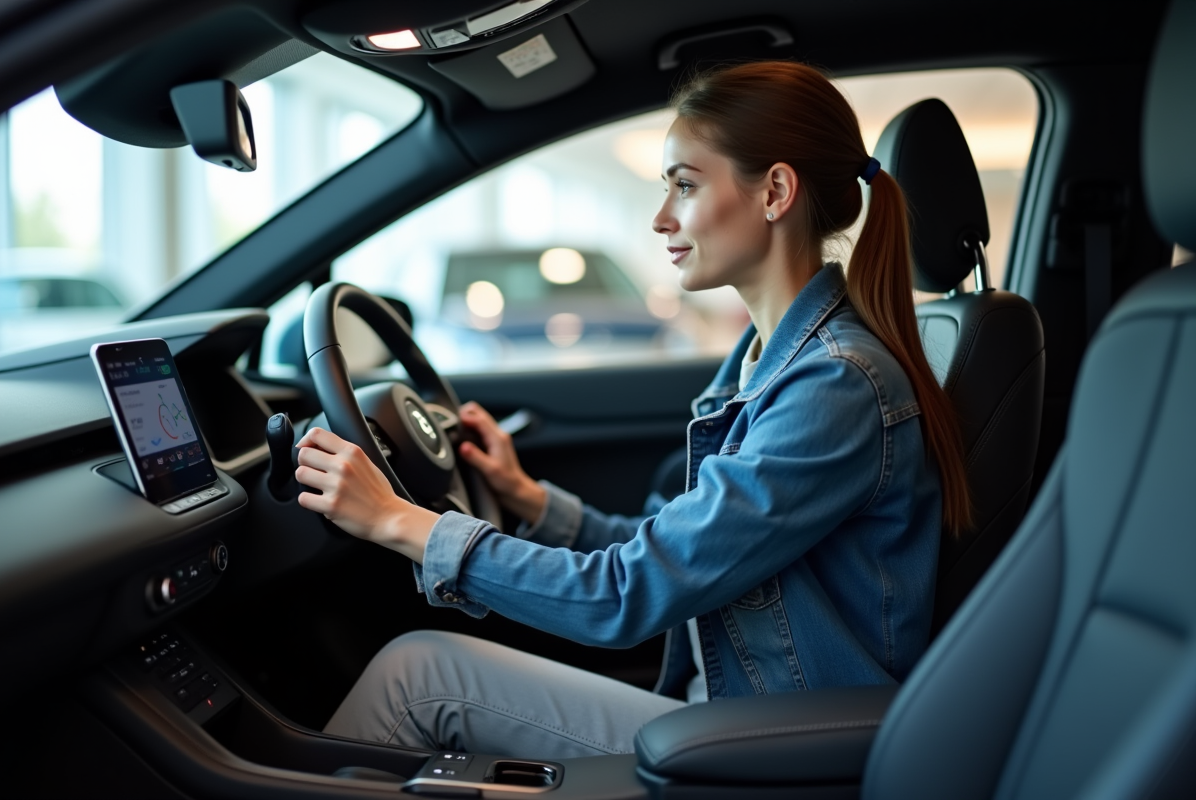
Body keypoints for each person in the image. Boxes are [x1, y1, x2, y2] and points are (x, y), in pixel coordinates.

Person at [293, 61, 970, 758]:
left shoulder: (834, 385)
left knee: (418, 677)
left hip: (776, 743)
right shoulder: (772, 360)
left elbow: (630, 592)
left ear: (774, 191)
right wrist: (528, 498)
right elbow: (674, 546)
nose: (661, 217)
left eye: (685, 185)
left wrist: (398, 521)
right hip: (735, 708)